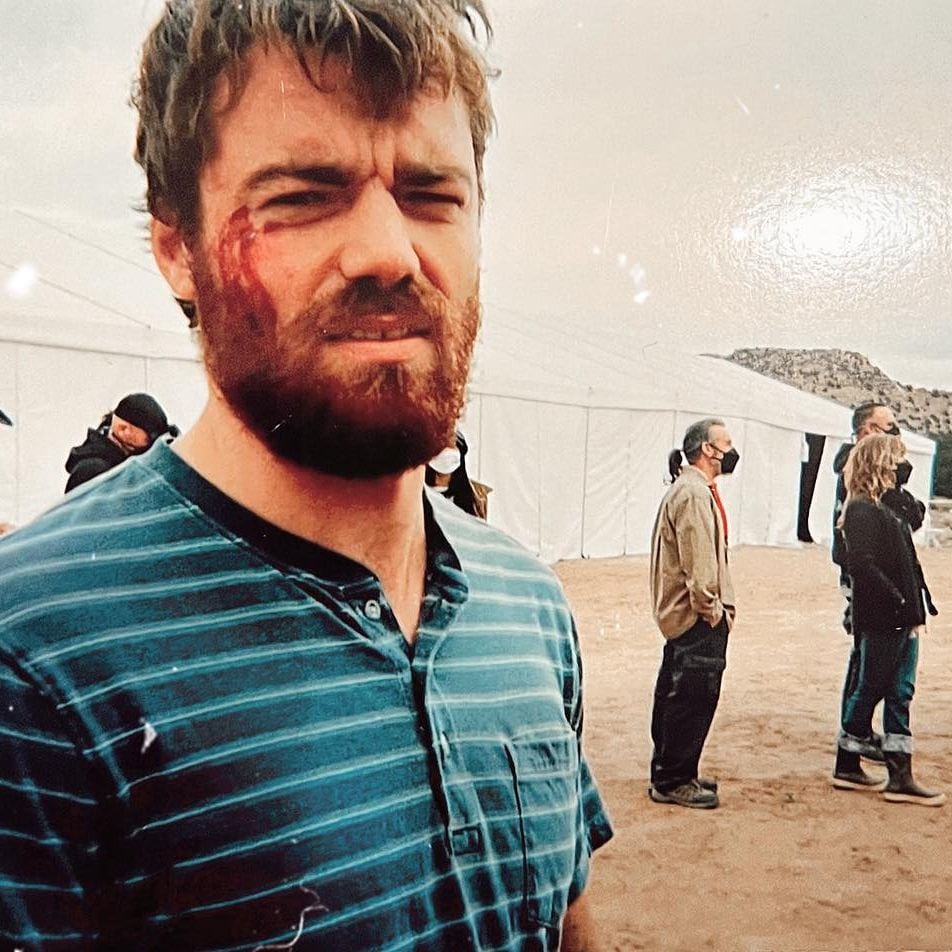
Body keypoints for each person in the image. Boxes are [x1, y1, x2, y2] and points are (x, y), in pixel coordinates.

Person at [0, 2, 612, 948]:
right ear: (176, 247)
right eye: (302, 193)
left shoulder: (525, 604)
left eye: (431, 194)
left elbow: (565, 924)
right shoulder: (33, 659)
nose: (387, 250)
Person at [835, 435, 943, 806]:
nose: (903, 466)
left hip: (904, 615)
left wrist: (912, 605)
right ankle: (851, 752)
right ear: (881, 463)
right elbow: (862, 565)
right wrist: (898, 602)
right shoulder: (862, 510)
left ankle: (900, 773)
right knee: (872, 686)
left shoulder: (885, 506)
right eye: (897, 460)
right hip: (886, 617)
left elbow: (914, 518)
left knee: (900, 692)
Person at [648, 418, 739, 809]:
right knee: (693, 695)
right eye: (726, 443)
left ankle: (674, 770)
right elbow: (699, 561)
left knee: (679, 691)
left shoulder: (693, 490)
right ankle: (673, 779)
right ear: (707, 449)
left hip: (688, 616)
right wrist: (712, 609)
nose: (732, 451)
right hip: (697, 617)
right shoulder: (693, 495)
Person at [64, 392, 179, 492]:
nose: (143, 457)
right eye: (134, 449)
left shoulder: (109, 467)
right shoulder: (94, 472)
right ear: (123, 428)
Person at [425, 430, 488, 518]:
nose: (446, 452)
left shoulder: (477, 495)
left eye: (452, 445)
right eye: (441, 448)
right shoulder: (415, 491)